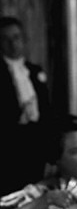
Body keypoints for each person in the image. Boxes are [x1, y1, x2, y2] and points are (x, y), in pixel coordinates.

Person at [0, 16, 52, 196]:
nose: (12, 44)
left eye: (16, 37)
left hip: (36, 141)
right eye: (5, 39)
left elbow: (46, 109)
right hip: (9, 143)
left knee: (36, 188)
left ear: (23, 39)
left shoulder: (34, 70)